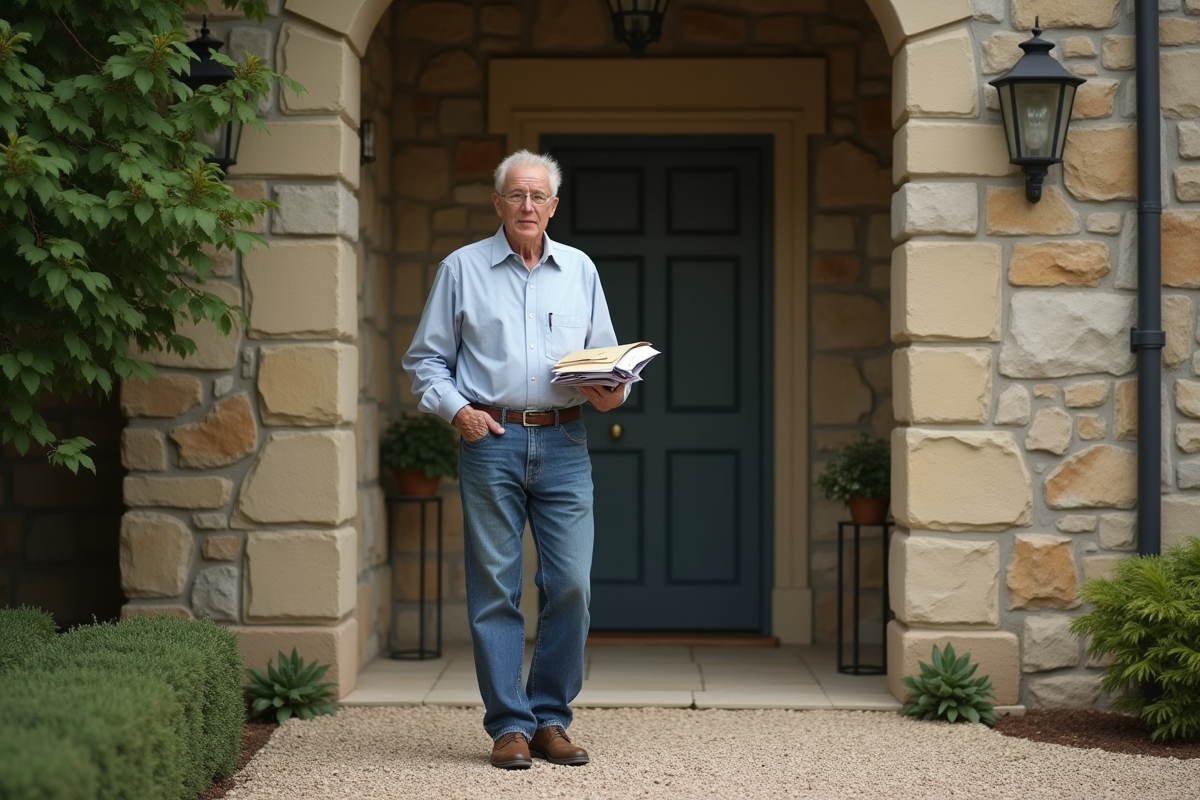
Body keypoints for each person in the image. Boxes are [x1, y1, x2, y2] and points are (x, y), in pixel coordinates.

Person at [403, 149, 625, 770]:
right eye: (516, 195)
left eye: (538, 197)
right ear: (498, 203)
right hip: (489, 438)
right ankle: (509, 727)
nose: (527, 206)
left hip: (565, 440)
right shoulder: (461, 269)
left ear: (554, 206)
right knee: (494, 589)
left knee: (572, 584)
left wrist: (613, 388)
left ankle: (551, 718)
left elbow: (606, 364)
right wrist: (457, 411)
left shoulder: (580, 270)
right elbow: (425, 361)